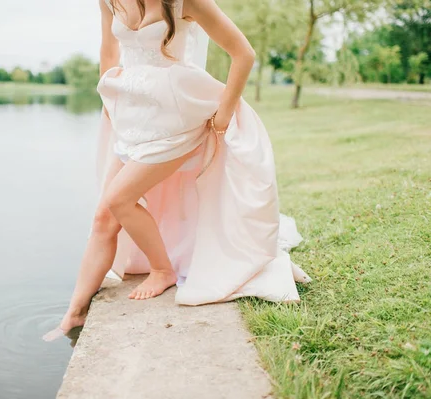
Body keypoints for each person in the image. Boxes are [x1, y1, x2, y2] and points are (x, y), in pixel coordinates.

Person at [44, 0, 312, 341]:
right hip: (129, 114)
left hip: (174, 117)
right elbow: (108, 49)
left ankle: (162, 270)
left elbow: (243, 54)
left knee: (119, 200)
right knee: (103, 218)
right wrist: (108, 100)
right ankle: (74, 313)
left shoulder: (186, 2)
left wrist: (224, 115)